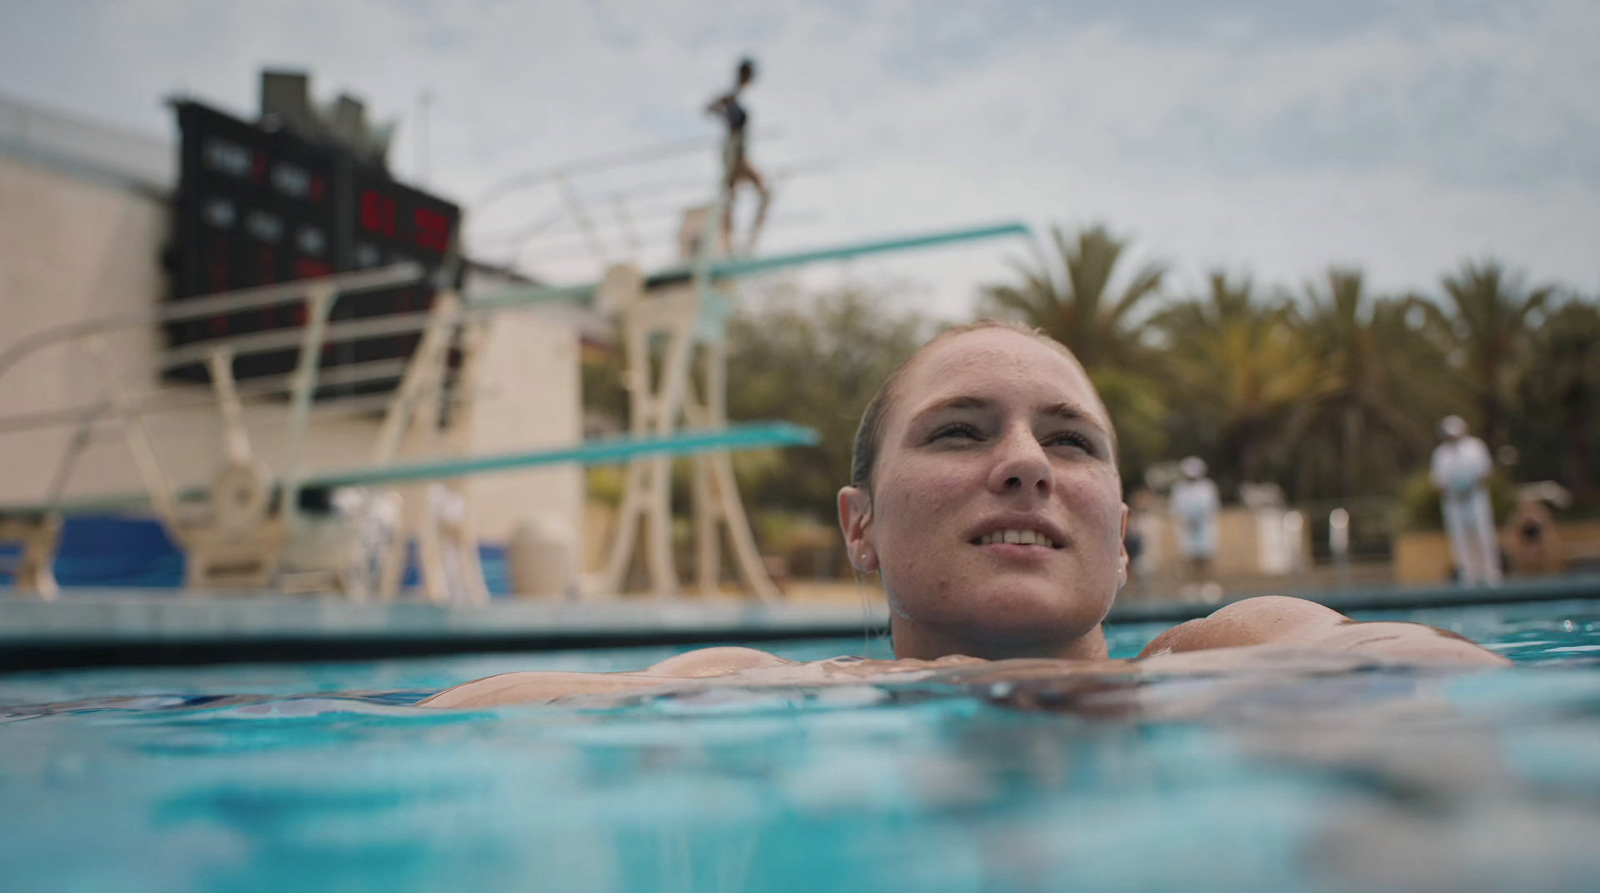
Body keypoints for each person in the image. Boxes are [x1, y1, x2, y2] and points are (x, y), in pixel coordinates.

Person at [423, 322, 1506, 708]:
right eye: (958, 430)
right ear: (859, 526)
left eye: (1071, 439)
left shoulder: (1231, 646)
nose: (1027, 464)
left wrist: (1147, 691)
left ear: (1120, 532)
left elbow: (1453, 678)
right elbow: (474, 712)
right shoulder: (764, 690)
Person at [705, 57, 771, 255]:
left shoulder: (737, 96)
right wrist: (725, 117)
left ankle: (745, 241)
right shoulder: (731, 96)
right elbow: (709, 108)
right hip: (733, 153)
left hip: (740, 152)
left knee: (749, 195)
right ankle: (730, 246)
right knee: (732, 198)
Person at [1430, 415, 1502, 585]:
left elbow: (1485, 472)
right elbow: (1438, 481)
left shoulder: (1475, 447)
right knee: (1460, 539)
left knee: (1483, 534)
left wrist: (1469, 487)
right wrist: (1454, 490)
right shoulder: (1441, 454)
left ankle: (1490, 571)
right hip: (1454, 502)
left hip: (1475, 498)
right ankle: (1468, 573)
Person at [1168, 456, 1221, 599]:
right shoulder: (1179, 489)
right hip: (1187, 529)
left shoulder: (1207, 487)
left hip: (1204, 528)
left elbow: (1213, 508)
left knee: (1206, 558)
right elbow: (1176, 510)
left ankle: (1208, 586)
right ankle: (1191, 587)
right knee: (1189, 559)